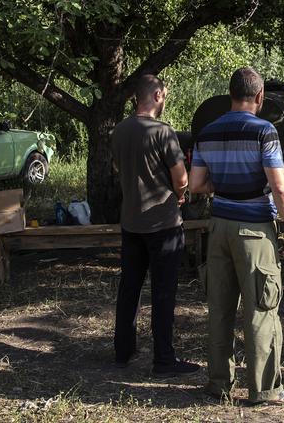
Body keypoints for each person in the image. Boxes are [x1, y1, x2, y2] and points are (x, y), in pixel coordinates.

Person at [189, 67, 284, 405]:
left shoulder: (206, 132)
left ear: (230, 94)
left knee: (220, 309)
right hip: (254, 231)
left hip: (218, 227)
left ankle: (218, 383)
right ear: (260, 96)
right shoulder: (265, 131)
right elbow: (281, 187)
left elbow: (195, 185)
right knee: (261, 308)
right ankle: (265, 389)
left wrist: (222, 186)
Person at [110, 74, 199, 377]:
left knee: (129, 287)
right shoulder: (163, 132)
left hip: (131, 222)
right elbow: (182, 178)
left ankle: (123, 350)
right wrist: (181, 193)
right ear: (158, 95)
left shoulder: (119, 131)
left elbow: (121, 170)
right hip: (162, 224)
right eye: (166, 94)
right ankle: (163, 359)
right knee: (163, 292)